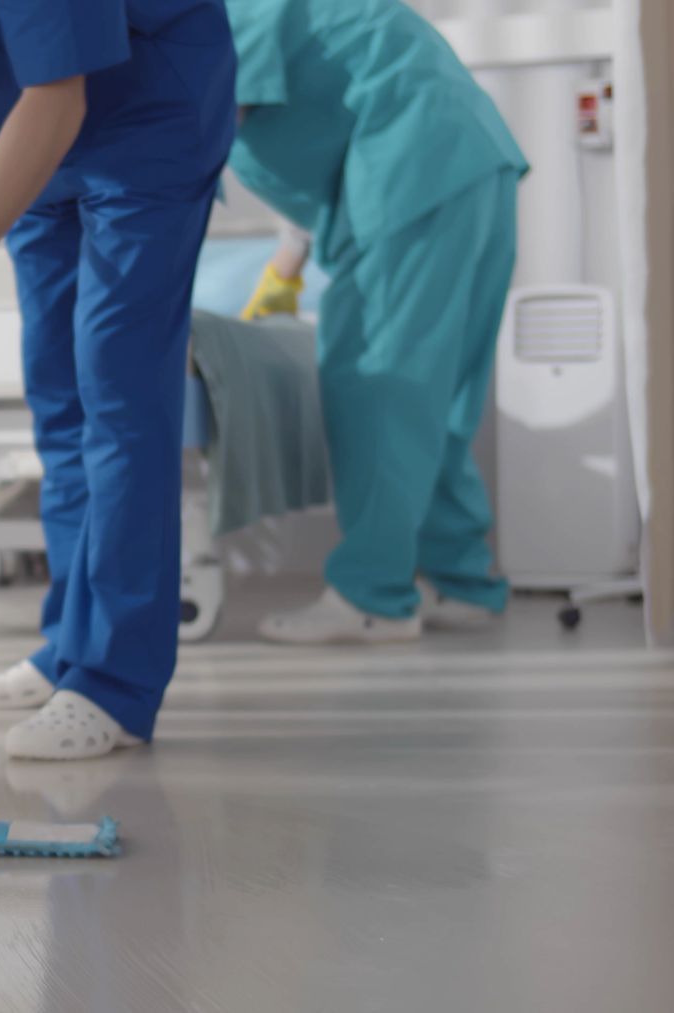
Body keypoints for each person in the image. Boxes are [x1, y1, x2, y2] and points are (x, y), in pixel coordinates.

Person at [0, 0, 237, 760]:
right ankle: (70, 645)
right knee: (57, 395)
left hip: (144, 123)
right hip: (26, 130)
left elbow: (58, 97)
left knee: (118, 394)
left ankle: (113, 682)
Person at [223, 0, 528, 644]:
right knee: (436, 398)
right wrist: (285, 268)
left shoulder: (205, 14)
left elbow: (205, 124)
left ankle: (375, 596)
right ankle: (459, 581)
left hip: (408, 164)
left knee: (377, 387)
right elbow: (315, 103)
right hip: (471, 159)